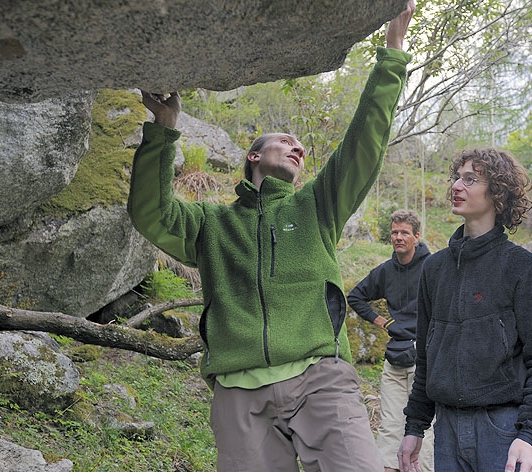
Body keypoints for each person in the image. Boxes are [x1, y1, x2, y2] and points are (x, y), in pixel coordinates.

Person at [128, 2, 415, 470]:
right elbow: (150, 214)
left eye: (300, 146)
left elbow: (363, 143)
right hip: (240, 392)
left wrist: (392, 53)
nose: (297, 147)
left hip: (321, 377)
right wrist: (164, 130)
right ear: (254, 157)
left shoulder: (317, 206)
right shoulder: (210, 224)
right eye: (284, 141)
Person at [398, 149, 532, 472]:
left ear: (498, 192)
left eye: (470, 179)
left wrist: (529, 434)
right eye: (456, 177)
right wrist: (415, 426)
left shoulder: (525, 269)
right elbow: (427, 356)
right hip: (446, 431)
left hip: (505, 430)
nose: (456, 186)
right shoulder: (434, 269)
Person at [348, 209, 434, 472]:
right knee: (390, 424)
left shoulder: (433, 267)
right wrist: (381, 322)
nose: (398, 237)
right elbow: (355, 297)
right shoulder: (385, 271)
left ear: (416, 236)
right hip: (394, 358)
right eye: (394, 232)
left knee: (424, 427)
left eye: (404, 233)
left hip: (424, 358)